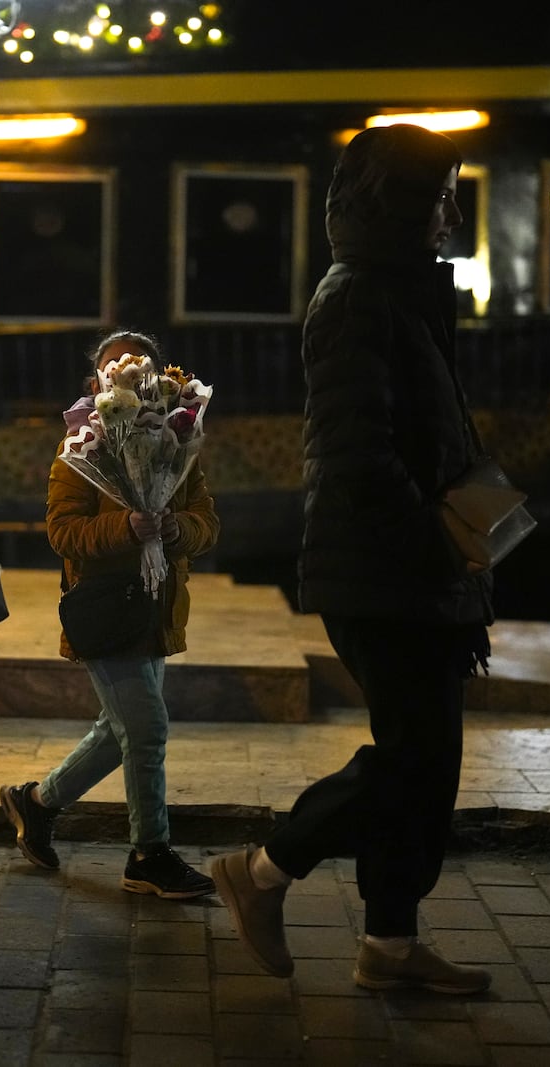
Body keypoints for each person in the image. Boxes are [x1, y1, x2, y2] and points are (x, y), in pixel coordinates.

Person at [209, 124, 495, 995]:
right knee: (410, 759)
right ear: (399, 201)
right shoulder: (359, 296)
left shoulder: (397, 289)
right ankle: (260, 871)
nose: (453, 212)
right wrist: (441, 536)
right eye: (441, 193)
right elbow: (358, 453)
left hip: (415, 569)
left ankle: (391, 946)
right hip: (385, 571)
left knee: (426, 767)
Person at [0, 331, 219, 900]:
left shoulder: (176, 442)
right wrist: (124, 527)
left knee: (115, 732)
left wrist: (177, 530)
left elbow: (205, 520)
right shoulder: (80, 452)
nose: (126, 379)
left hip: (156, 608)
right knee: (146, 730)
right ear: (96, 387)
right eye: (114, 372)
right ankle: (150, 852)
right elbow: (62, 533)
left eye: (139, 372)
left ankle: (36, 802)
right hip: (105, 609)